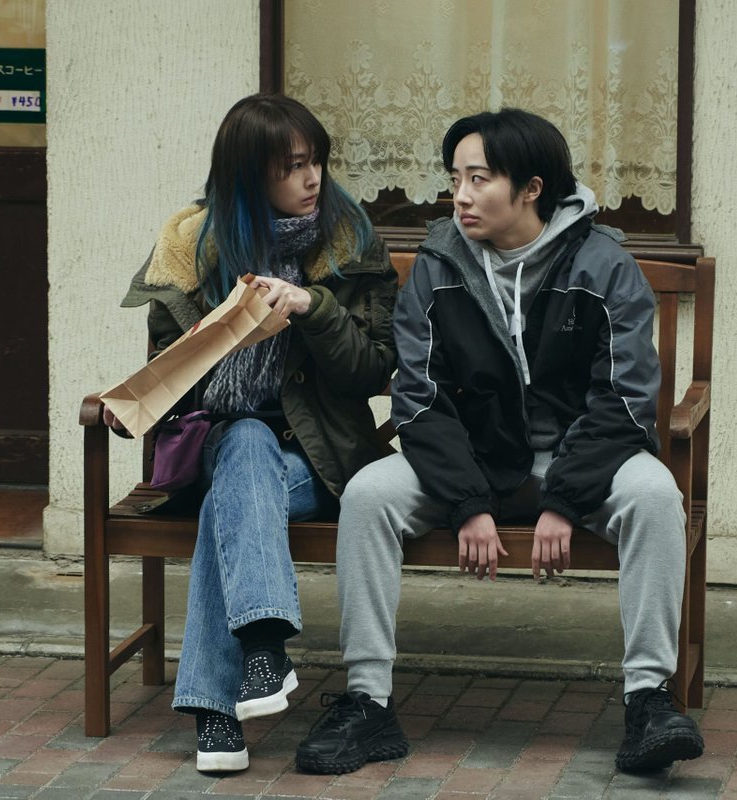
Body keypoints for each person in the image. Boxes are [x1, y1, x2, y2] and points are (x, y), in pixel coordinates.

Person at [295, 108, 704, 776]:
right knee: (368, 495)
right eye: (455, 178)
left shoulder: (603, 266)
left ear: (531, 189)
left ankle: (649, 700)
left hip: (580, 463)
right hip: (474, 464)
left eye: (479, 179)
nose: (460, 195)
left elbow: (624, 399)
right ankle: (368, 703)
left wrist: (565, 499)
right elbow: (419, 399)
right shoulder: (438, 266)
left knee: (657, 496)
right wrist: (468, 502)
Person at [114, 94, 398, 773]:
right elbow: (169, 382)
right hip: (218, 451)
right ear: (248, 174)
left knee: (234, 495)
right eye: (292, 166)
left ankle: (219, 706)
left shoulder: (349, 242)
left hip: (319, 460)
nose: (313, 179)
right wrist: (212, 336)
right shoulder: (192, 249)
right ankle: (262, 648)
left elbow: (373, 369)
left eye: (316, 161)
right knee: (242, 440)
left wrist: (311, 307)